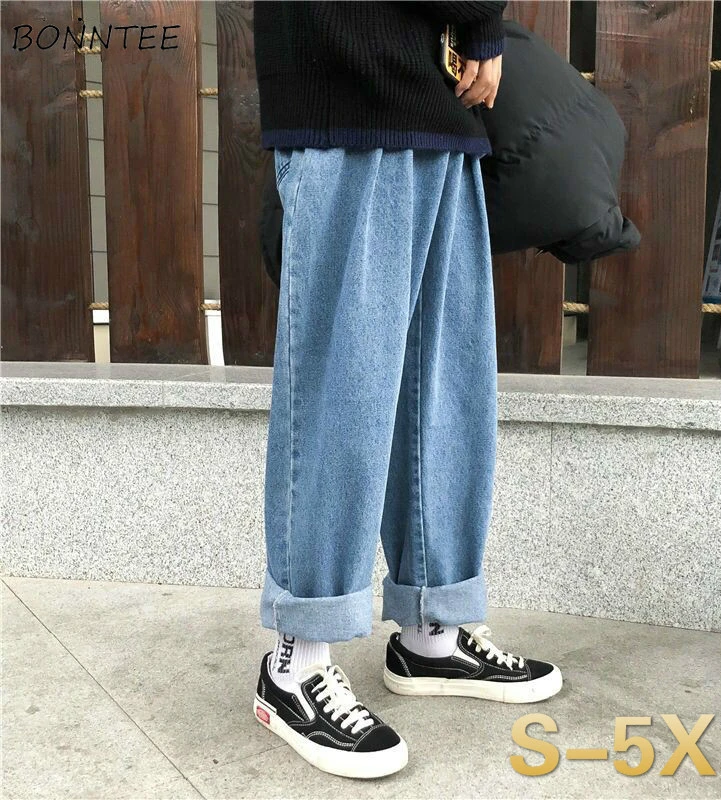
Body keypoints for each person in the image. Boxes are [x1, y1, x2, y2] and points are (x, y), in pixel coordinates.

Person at [252, 1, 562, 779]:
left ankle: (432, 629)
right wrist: (481, 20)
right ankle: (295, 660)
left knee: (444, 391)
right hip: (348, 89)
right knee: (342, 396)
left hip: (435, 104)